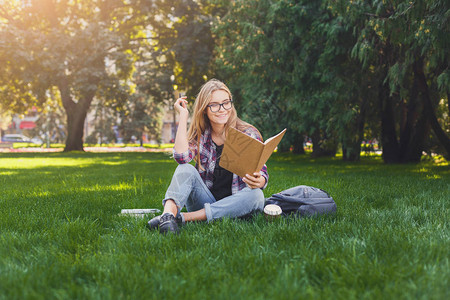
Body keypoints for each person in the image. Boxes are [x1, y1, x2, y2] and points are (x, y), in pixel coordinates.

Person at [148, 79, 268, 234]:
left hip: (237, 205)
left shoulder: (247, 133)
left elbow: (262, 170)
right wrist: (183, 116)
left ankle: (183, 218)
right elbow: (181, 157)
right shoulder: (200, 135)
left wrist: (261, 180)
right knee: (185, 169)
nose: (222, 109)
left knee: (256, 195)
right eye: (214, 105)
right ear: (204, 109)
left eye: (226, 103)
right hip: (204, 200)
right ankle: (168, 216)